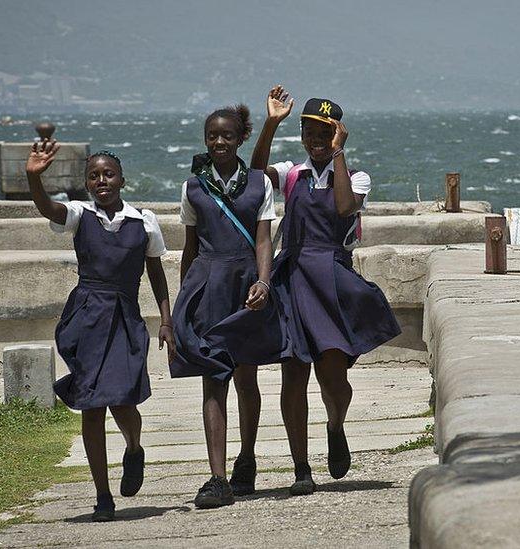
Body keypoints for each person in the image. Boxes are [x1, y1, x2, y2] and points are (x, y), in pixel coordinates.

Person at [25, 141, 173, 522]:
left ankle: (134, 448)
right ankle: (102, 496)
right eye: (94, 175)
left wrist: (166, 319)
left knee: (124, 401)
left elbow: (155, 272)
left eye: (108, 174)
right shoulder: (80, 216)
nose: (102, 180)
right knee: (92, 407)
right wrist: (34, 178)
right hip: (88, 315)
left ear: (122, 179)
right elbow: (49, 209)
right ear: (87, 183)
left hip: (125, 316)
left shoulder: (144, 222)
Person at [262, 97, 402, 495]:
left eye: (325, 132)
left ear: (338, 134)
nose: (316, 140)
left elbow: (343, 208)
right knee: (293, 374)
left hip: (331, 280)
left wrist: (338, 154)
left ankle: (336, 423)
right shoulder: (292, 174)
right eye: (310, 132)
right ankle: (301, 468)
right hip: (291, 277)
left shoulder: (357, 177)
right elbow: (253, 174)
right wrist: (271, 124)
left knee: (333, 376)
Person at [170, 87, 292, 508]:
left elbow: (264, 240)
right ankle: (217, 478)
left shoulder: (259, 184)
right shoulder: (192, 188)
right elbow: (189, 247)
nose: (218, 142)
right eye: (211, 136)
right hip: (207, 287)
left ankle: (247, 459)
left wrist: (264, 282)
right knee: (213, 379)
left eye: (226, 136)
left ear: (241, 138)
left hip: (246, 286)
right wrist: (181, 303)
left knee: (246, 376)